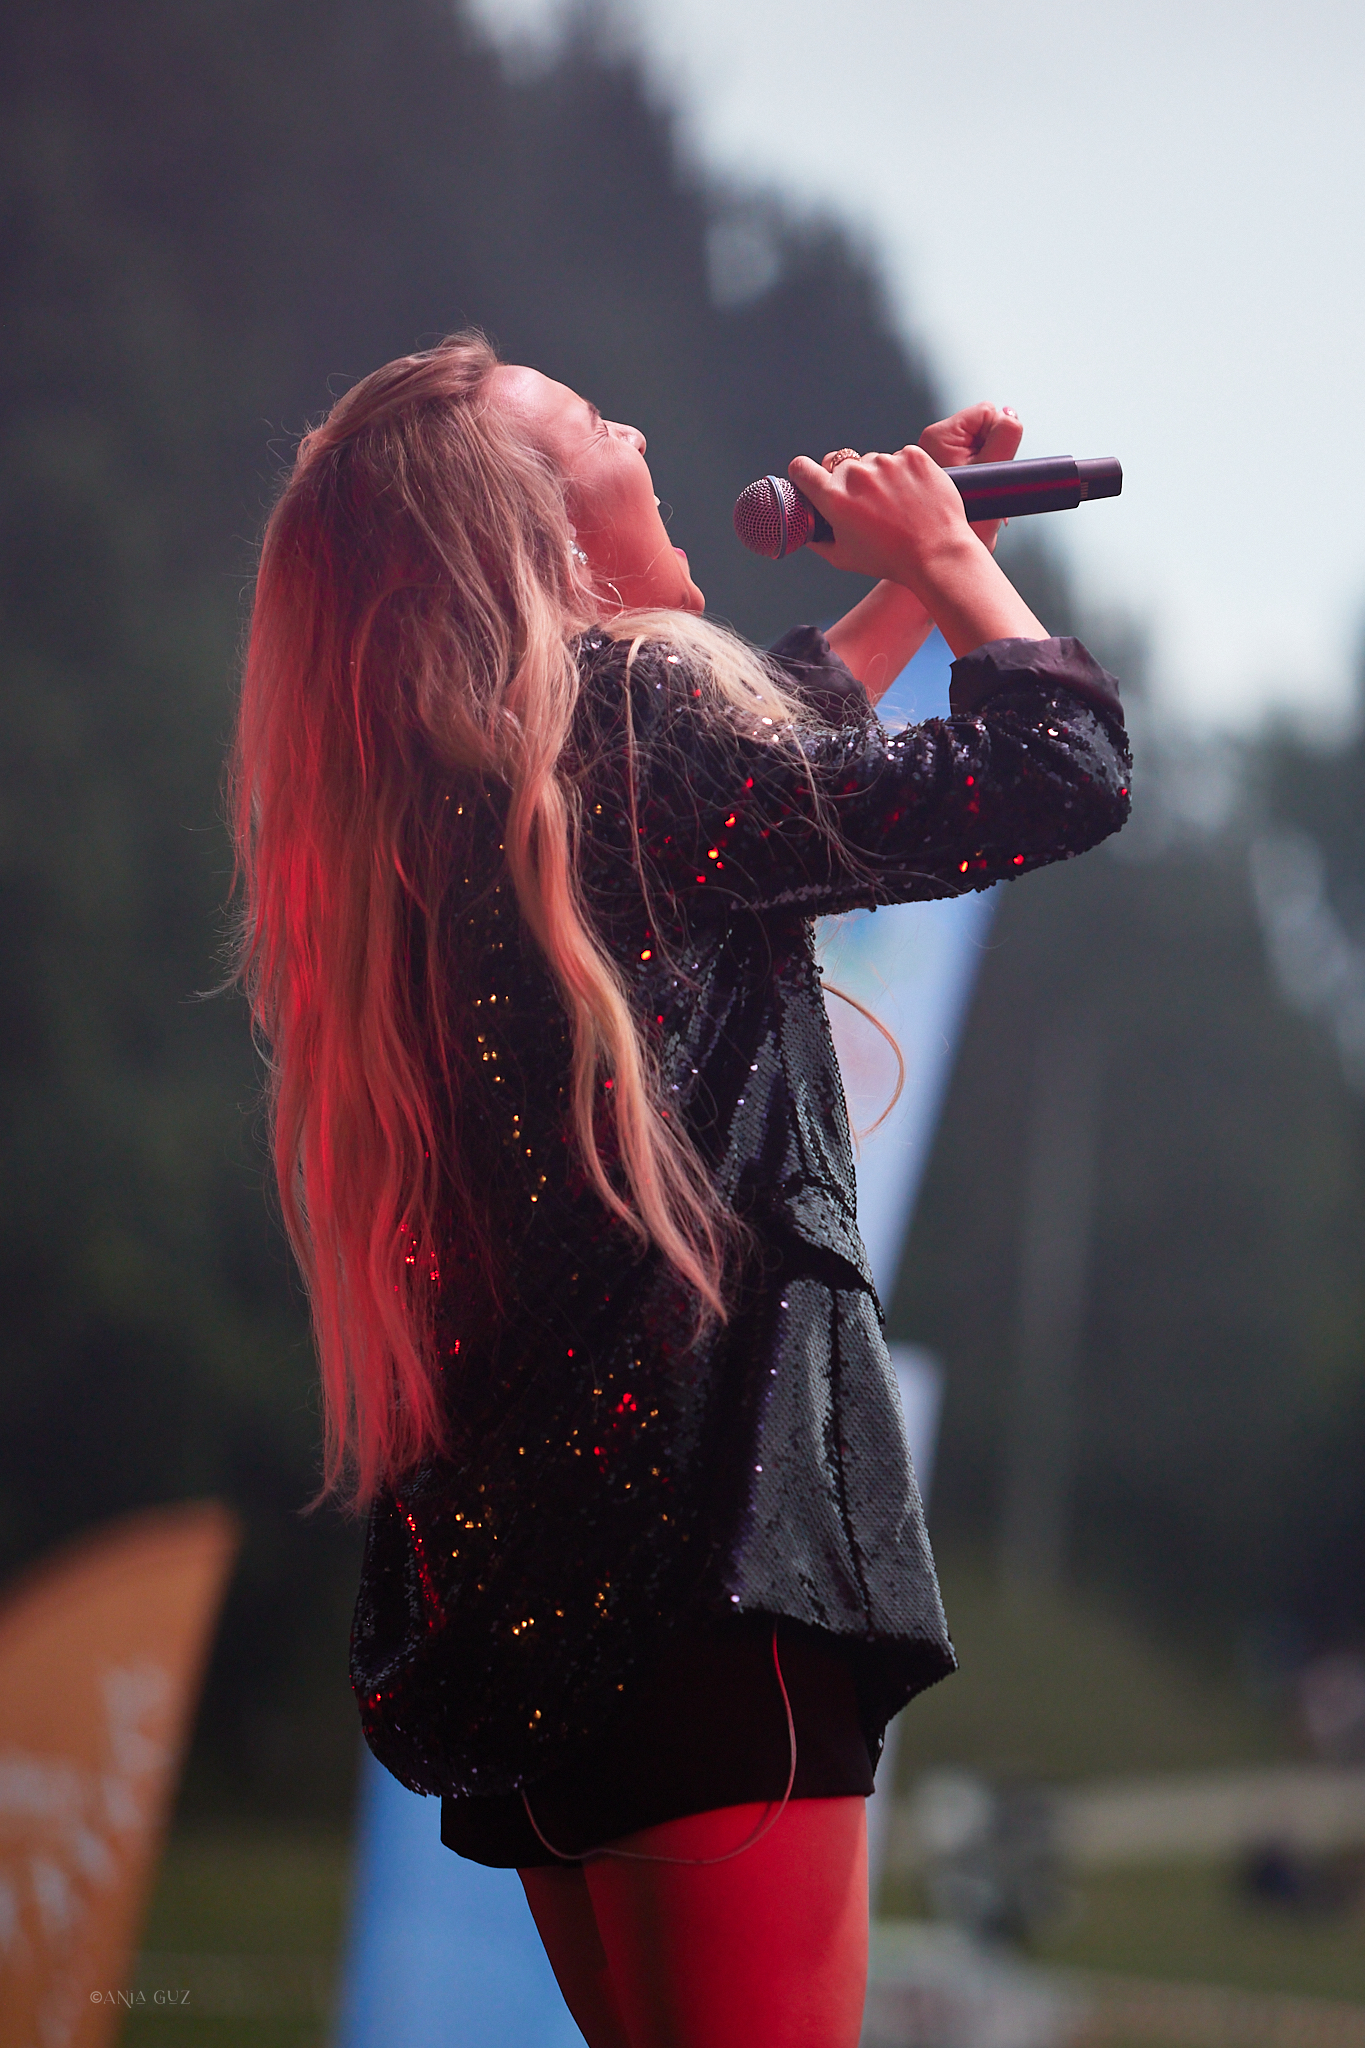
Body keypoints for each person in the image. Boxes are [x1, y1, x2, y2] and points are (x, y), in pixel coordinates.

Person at [231, 331, 1129, 2047]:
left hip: (540, 1608)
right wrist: (950, 566)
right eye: (591, 421)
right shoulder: (632, 736)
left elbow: (761, 766)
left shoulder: (454, 803)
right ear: (536, 540)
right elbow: (1056, 772)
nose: (635, 428)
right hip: (718, 1549)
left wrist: (917, 580)